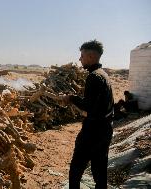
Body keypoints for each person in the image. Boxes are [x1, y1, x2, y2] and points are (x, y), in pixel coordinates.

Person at [61, 40, 114, 189]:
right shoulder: (103, 75)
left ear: (91, 56)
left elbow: (89, 107)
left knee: (76, 170)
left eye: (82, 55)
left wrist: (71, 98)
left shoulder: (94, 77)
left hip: (92, 132)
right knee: (99, 169)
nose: (80, 59)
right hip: (105, 130)